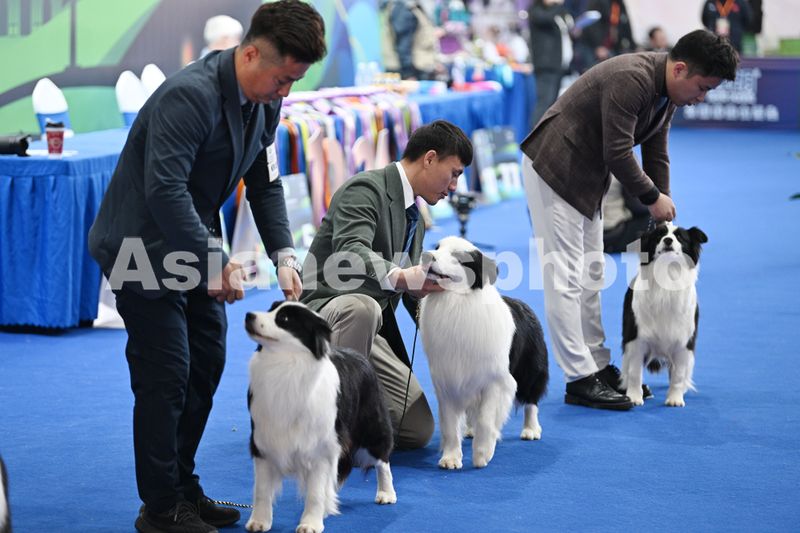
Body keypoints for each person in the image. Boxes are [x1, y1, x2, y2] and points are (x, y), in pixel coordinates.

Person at [88, 2, 326, 532]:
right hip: (139, 245)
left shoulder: (265, 103)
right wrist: (214, 260)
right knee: (167, 374)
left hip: (192, 242)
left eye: (295, 82)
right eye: (283, 79)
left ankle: (182, 487)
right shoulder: (188, 97)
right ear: (250, 54)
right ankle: (159, 508)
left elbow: (265, 183)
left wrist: (284, 254)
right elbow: (164, 190)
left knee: (206, 364)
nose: (287, 92)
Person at [520, 29, 738, 410]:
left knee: (591, 274)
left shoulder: (666, 92)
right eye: (703, 88)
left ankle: (597, 365)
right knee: (564, 278)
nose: (701, 97)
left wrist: (664, 212)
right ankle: (578, 378)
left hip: (588, 175)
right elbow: (618, 152)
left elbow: (657, 152)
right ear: (681, 69)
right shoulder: (631, 79)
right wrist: (652, 198)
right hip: (554, 168)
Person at [300, 120, 473, 449]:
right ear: (430, 158)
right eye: (454, 173)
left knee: (416, 430)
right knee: (361, 308)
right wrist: (402, 277)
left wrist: (461, 337)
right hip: (324, 315)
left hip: (370, 329)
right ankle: (327, 427)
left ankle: (341, 410)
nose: (453, 186)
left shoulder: (415, 215)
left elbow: (414, 293)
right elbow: (351, 250)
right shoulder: (364, 189)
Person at [528, 0, 574, 127]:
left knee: (552, 105)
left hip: (559, 65)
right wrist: (557, 4)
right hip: (546, 66)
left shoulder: (558, 11)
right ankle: (534, 137)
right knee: (544, 103)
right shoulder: (535, 10)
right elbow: (546, 18)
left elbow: (569, 23)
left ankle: (546, 136)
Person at [381, 0, 440, 80]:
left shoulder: (413, 7)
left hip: (417, 67)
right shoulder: (403, 9)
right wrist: (408, 74)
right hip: (409, 71)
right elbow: (403, 45)